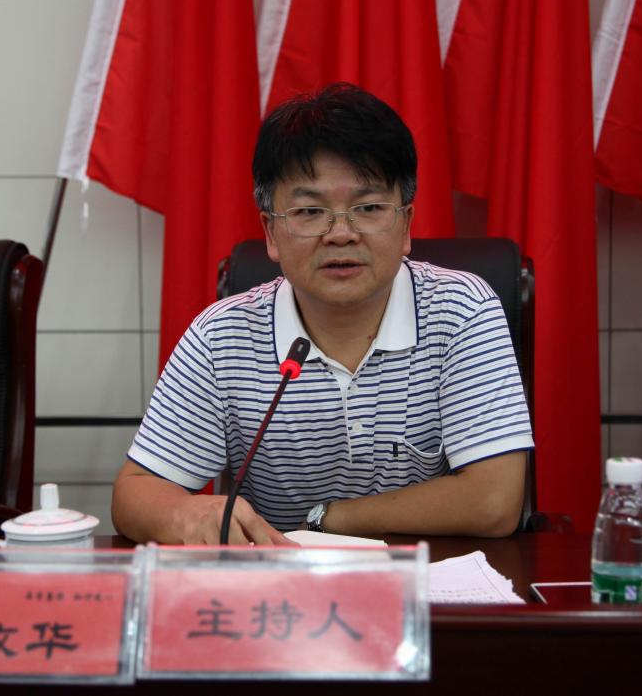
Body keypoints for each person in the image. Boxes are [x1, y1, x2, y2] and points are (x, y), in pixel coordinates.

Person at [112, 82, 533, 545]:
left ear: (406, 225)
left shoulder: (461, 309)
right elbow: (135, 494)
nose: (340, 233)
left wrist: (327, 519)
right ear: (271, 233)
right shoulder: (222, 336)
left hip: (428, 580)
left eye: (368, 207)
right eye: (310, 211)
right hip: (279, 583)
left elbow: (494, 501)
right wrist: (183, 514)